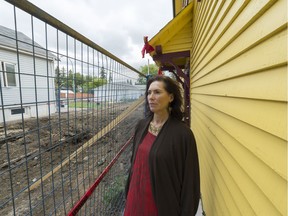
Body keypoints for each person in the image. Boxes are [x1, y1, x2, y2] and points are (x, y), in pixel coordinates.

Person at [124, 75, 200, 216]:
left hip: (161, 206)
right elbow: (134, 164)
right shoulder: (141, 126)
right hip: (134, 201)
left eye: (157, 92)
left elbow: (190, 182)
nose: (151, 97)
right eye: (149, 92)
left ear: (171, 97)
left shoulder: (183, 135)